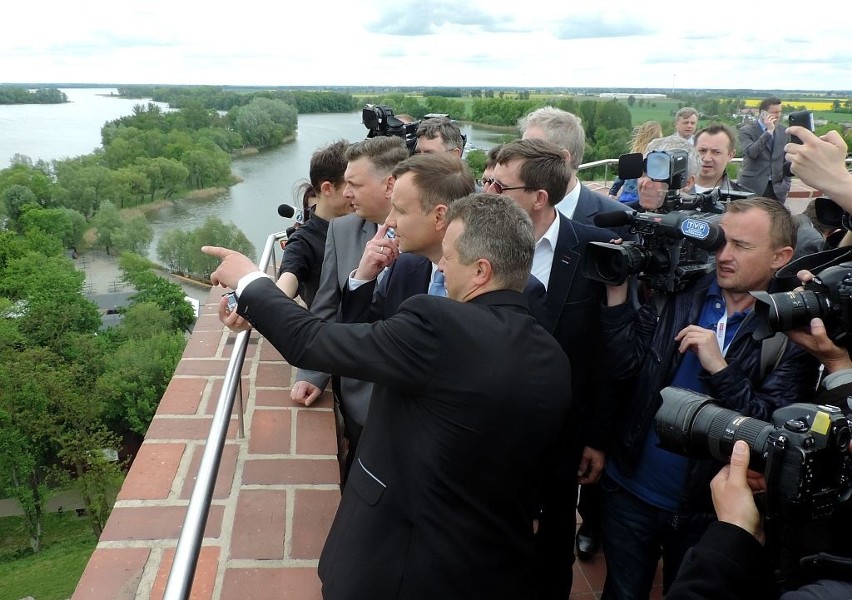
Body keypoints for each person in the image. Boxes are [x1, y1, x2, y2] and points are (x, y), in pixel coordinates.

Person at [203, 193, 573, 600]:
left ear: (481, 271)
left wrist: (250, 280)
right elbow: (557, 489)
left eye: (449, 258)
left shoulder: (439, 324)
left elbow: (312, 342)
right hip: (490, 570)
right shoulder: (552, 357)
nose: (442, 266)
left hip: (397, 570)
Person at [598, 196, 821, 599]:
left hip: (708, 512)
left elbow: (770, 430)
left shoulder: (789, 335)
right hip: (630, 492)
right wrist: (617, 293)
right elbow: (624, 367)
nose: (724, 255)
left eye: (742, 246)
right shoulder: (679, 292)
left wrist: (721, 370)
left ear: (780, 257)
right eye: (720, 242)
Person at [488, 138, 616, 590]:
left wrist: (598, 438)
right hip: (487, 431)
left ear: (539, 198)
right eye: (487, 181)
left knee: (552, 549)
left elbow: (605, 355)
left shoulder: (597, 250)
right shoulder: (477, 242)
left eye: (500, 188)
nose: (487, 194)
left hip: (562, 437)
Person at [289, 136, 409, 482]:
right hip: (360, 402)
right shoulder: (341, 230)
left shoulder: (431, 234)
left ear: (389, 185)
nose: (347, 193)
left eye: (355, 183)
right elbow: (326, 306)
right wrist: (313, 373)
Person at [517, 106, 631, 235]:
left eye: (530, 154)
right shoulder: (513, 209)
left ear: (563, 159)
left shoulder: (620, 223)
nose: (520, 162)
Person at [276, 139, 352, 309]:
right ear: (327, 189)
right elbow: (287, 280)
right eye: (352, 184)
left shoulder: (368, 218)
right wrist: (261, 307)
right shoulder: (303, 241)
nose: (357, 192)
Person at [738, 96, 792, 203]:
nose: (778, 115)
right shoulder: (746, 131)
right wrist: (768, 132)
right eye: (774, 112)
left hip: (777, 189)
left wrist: (786, 183)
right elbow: (752, 153)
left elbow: (787, 159)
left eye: (779, 112)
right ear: (763, 113)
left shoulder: (784, 131)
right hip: (753, 187)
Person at [631, 134, 700, 212]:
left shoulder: (703, 221)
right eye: (643, 173)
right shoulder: (621, 216)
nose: (644, 184)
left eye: (657, 175)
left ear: (687, 183)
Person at [609, 120, 663, 203]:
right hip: (642, 195)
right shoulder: (657, 156)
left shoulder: (634, 154)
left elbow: (621, 176)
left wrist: (612, 192)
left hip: (626, 195)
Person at [693, 124, 753, 194]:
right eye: (702, 151)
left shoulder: (743, 200)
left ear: (730, 155)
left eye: (716, 152)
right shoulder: (678, 192)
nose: (707, 158)